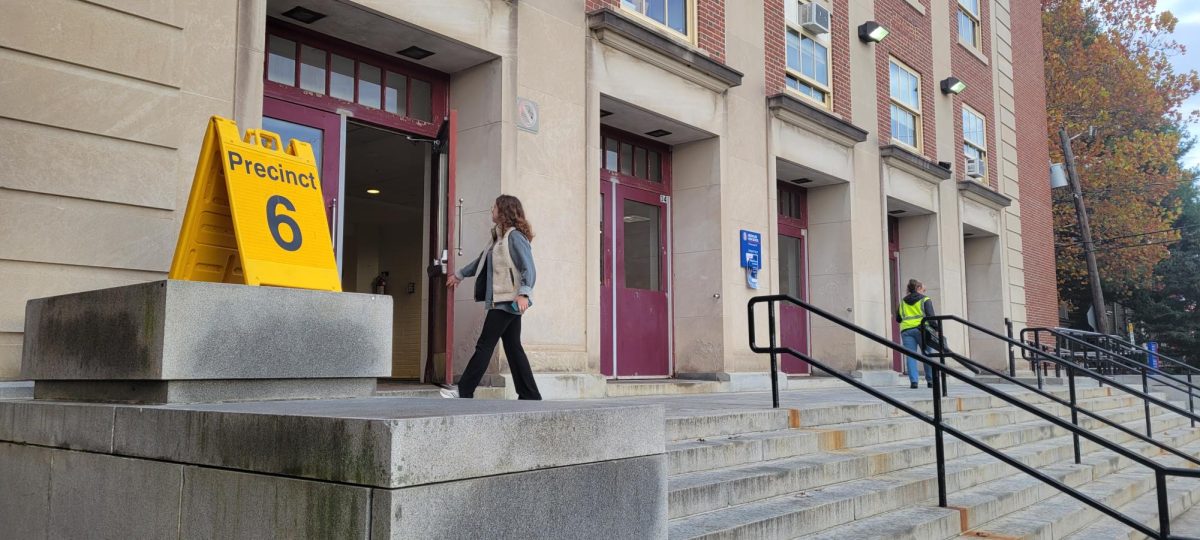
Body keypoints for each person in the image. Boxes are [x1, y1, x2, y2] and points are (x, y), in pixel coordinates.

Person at [440, 195, 542, 400]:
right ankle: (530, 394)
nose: (491, 210)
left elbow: (528, 268)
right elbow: (481, 262)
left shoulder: (514, 237)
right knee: (513, 347)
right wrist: (459, 275)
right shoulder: (498, 238)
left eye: (494, 207)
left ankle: (464, 390)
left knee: (484, 345)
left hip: (507, 301)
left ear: (504, 211)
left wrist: (524, 294)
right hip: (503, 301)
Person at [897, 278, 936, 389]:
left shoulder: (903, 302)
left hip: (906, 331)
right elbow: (931, 317)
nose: (925, 292)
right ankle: (930, 381)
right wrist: (936, 330)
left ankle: (914, 382)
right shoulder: (925, 300)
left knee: (910, 356)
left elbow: (898, 319)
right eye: (924, 290)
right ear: (918, 288)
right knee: (927, 354)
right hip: (922, 329)